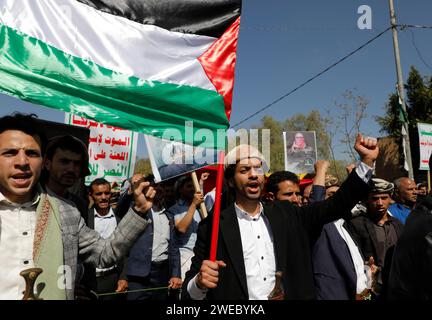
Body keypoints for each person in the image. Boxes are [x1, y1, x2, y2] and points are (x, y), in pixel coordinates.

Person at [182, 134, 378, 300]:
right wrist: (199, 283)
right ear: (230, 181)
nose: (253, 175)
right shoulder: (214, 226)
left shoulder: (289, 214)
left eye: (258, 169)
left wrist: (366, 163)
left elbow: (336, 205)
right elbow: (188, 291)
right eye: (244, 170)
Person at [0, 113, 154, 300]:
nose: (22, 162)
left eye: (32, 153)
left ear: (41, 161)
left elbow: (105, 253)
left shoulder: (67, 211)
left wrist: (138, 210)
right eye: (10, 152)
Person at [116, 174, 182, 300]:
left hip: (162, 276)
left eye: (161, 186)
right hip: (138, 276)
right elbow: (119, 210)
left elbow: (174, 248)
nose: (158, 189)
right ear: (146, 187)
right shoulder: (137, 210)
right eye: (154, 185)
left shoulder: (169, 214)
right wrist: (131, 190)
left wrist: (176, 274)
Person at [346, 178, 403, 299]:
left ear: (390, 199)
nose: (380, 202)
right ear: (367, 200)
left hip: (395, 285)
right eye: (375, 198)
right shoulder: (356, 224)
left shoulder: (397, 224)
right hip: (369, 287)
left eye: (384, 198)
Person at [387, 154, 432, 300]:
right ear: (397, 193)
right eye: (409, 190)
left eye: (415, 189)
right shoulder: (418, 219)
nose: (415, 192)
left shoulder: (417, 211)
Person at [86, 178, 125, 299]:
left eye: (106, 193)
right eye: (98, 194)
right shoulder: (84, 218)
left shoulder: (120, 218)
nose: (103, 197)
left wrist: (123, 277)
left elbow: (125, 251)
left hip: (112, 278)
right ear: (91, 195)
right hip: (89, 280)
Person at [42, 135, 90, 218]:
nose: (71, 169)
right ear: (47, 163)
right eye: (64, 162)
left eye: (77, 163)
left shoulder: (80, 205)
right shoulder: (32, 199)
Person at [168, 175, 204, 280]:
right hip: (183, 258)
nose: (192, 189)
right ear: (180, 189)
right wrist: (193, 204)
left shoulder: (199, 209)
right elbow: (181, 228)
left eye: (194, 186)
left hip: (197, 257)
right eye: (189, 186)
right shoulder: (175, 209)